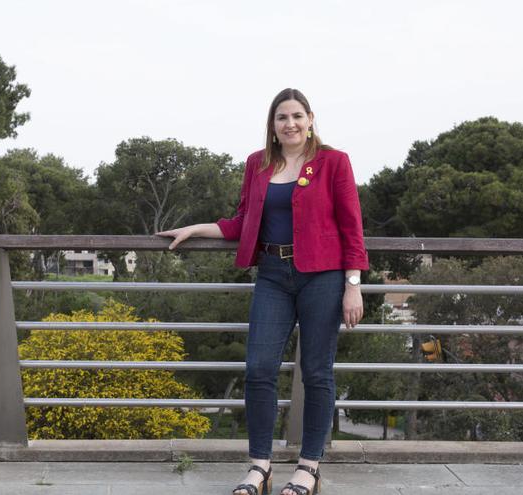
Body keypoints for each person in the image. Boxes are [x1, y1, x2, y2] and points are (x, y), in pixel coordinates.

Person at [156, 88, 368, 495]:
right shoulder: (258, 163)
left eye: (296, 116)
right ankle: (260, 466)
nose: (289, 124)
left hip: (323, 275)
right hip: (272, 273)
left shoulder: (333, 162)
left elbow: (351, 227)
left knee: (318, 372)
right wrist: (197, 229)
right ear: (272, 125)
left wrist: (352, 285)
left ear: (310, 119)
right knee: (258, 369)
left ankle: (308, 467)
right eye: (281, 117)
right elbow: (243, 221)